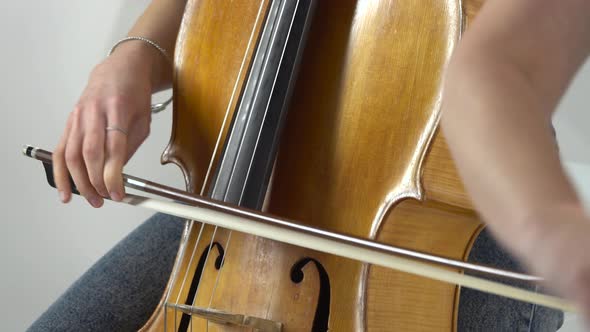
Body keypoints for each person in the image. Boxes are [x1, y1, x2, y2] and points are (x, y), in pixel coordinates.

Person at [28, 0, 589, 331]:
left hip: (448, 207)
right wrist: (129, 58)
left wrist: (550, 226)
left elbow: (499, 67)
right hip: (252, 194)